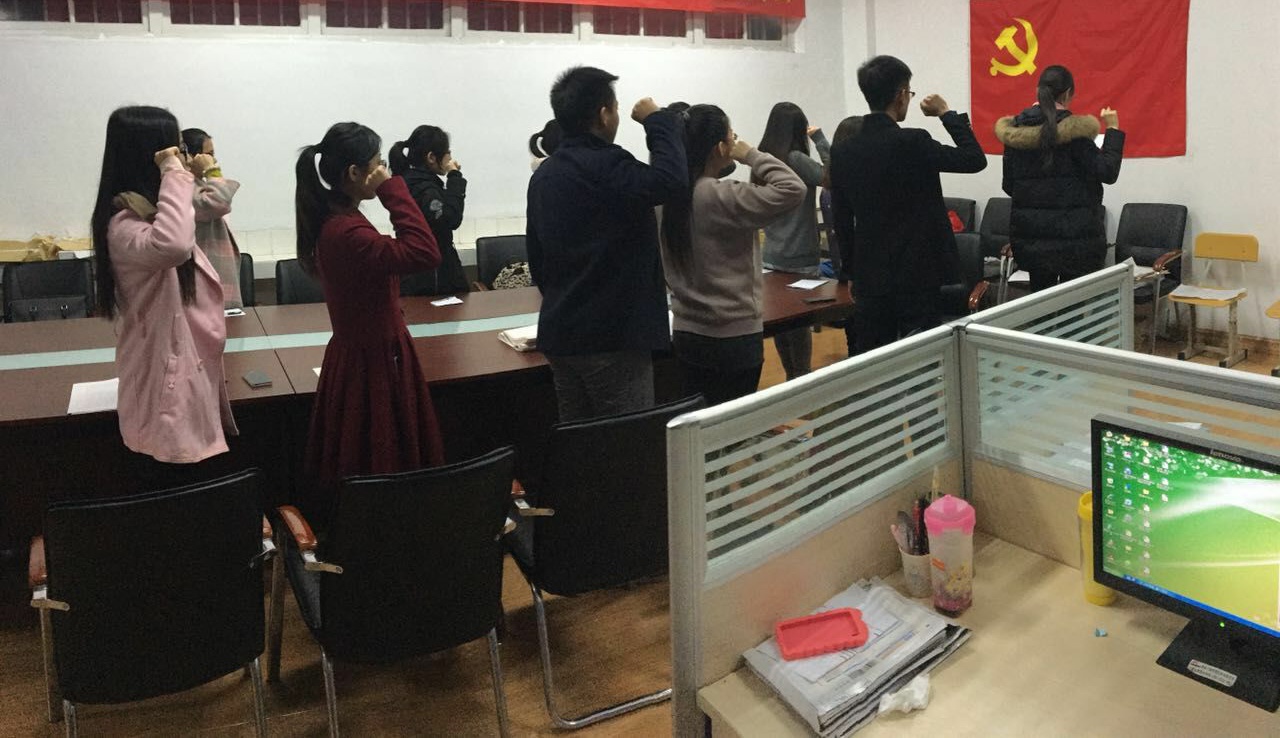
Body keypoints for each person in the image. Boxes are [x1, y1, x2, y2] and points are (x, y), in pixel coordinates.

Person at [295, 122, 444, 524]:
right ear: (354, 173)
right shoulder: (346, 231)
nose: (383, 171)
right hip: (372, 360)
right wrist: (392, 189)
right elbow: (424, 252)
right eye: (377, 165)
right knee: (378, 452)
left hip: (372, 351)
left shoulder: (341, 218)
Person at [526, 66, 687, 422]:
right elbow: (671, 181)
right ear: (603, 115)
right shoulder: (608, 165)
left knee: (581, 437)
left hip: (561, 332)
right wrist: (658, 120)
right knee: (625, 440)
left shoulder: (545, 175)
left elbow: (537, 259)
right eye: (615, 109)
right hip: (611, 336)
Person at [91, 106, 238, 472]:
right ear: (153, 158)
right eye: (176, 151)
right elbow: (173, 246)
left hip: (187, 370)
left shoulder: (152, 214)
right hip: (164, 388)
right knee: (175, 472)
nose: (184, 160)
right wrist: (173, 172)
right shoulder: (124, 225)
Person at [830, 55, 987, 355]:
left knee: (876, 356)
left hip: (870, 272)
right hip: (918, 272)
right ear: (901, 95)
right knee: (922, 356)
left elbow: (842, 219)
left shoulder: (843, 151)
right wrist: (946, 113)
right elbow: (974, 159)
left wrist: (850, 272)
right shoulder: (913, 142)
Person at [660, 104, 805, 406]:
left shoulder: (665, 196)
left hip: (686, 332)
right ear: (720, 148)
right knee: (733, 423)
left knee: (701, 420)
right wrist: (750, 154)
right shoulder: (722, 195)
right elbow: (793, 188)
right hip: (734, 336)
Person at [995, 65, 1124, 292]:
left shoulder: (1015, 132)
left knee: (1041, 303)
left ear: (1038, 91)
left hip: (1033, 241)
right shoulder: (1075, 133)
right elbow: (1107, 172)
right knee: (1073, 306)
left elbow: (1009, 186)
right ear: (1067, 94)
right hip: (1075, 241)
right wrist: (1112, 128)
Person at [758, 102, 831, 380]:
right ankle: (800, 379)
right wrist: (820, 139)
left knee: (782, 322)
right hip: (800, 255)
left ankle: (791, 376)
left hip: (771, 255)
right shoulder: (796, 159)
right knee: (800, 324)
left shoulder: (763, 159)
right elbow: (831, 177)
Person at [390, 124, 470, 296]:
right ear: (431, 157)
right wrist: (454, 176)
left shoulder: (408, 181)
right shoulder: (424, 188)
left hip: (417, 271)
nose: (450, 157)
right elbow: (450, 219)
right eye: (447, 152)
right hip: (431, 278)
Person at [181, 127, 245, 309]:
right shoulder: (183, 188)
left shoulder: (200, 185)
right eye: (209, 155)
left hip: (215, 279)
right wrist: (212, 172)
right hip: (201, 286)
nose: (213, 161)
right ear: (190, 156)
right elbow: (219, 201)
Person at [827, 114, 864, 356]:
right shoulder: (855, 185)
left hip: (846, 265)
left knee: (855, 334)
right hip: (859, 267)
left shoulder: (831, 182)